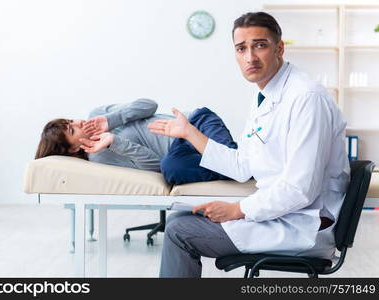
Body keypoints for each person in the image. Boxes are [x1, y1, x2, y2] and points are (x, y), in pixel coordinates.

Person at [148, 12, 350, 277]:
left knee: (178, 231)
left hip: (302, 225)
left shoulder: (305, 98)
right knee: (179, 220)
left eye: (260, 45)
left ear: (279, 48)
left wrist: (237, 209)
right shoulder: (264, 95)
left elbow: (300, 189)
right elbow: (243, 165)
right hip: (281, 216)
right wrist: (189, 133)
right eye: (241, 48)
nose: (250, 57)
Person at [35, 98, 238, 185]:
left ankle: (239, 165)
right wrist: (114, 141)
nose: (79, 122)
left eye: (71, 121)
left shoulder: (96, 114)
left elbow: (149, 104)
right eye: (73, 128)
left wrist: (111, 120)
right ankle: (239, 166)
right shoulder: (99, 156)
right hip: (179, 150)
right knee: (170, 168)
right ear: (72, 149)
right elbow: (155, 164)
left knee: (232, 163)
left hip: (194, 122)